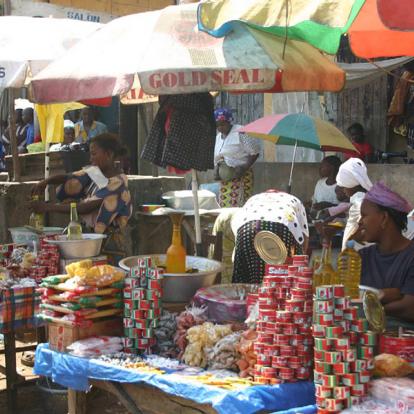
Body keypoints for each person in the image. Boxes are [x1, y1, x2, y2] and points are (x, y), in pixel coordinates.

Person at [31, 133, 132, 262]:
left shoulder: (118, 183)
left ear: (108, 154)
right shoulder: (96, 173)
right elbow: (69, 177)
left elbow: (86, 207)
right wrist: (45, 182)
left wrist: (47, 207)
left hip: (111, 245)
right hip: (92, 241)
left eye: (94, 154)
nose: (91, 159)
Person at [359, 182, 414, 327]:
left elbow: (409, 308)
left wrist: (371, 306)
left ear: (384, 218)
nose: (360, 222)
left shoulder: (411, 257)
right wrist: (383, 295)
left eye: (364, 215)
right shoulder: (361, 257)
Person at [231, 190, 309, 284]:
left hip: (247, 228)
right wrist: (301, 260)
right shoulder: (295, 201)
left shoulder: (253, 199)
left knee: (245, 277)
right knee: (285, 279)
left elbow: (237, 229)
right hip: (283, 227)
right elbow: (305, 235)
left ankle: (246, 296)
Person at [214, 108, 261, 207]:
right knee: (224, 207)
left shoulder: (240, 132)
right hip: (225, 182)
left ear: (229, 121)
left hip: (240, 177)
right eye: (217, 125)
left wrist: (244, 167)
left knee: (237, 207)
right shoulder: (218, 137)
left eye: (223, 124)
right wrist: (217, 170)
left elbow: (255, 152)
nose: (220, 127)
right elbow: (220, 157)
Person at [336, 157, 373, 250]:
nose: (343, 190)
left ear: (351, 183)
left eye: (344, 186)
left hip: (356, 253)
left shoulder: (359, 201)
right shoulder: (361, 198)